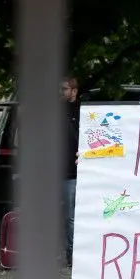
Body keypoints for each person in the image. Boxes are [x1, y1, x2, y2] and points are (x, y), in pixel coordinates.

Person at [63, 76, 80, 265]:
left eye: (64, 89)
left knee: (70, 217)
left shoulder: (82, 112)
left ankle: (71, 253)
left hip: (71, 173)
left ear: (74, 91)